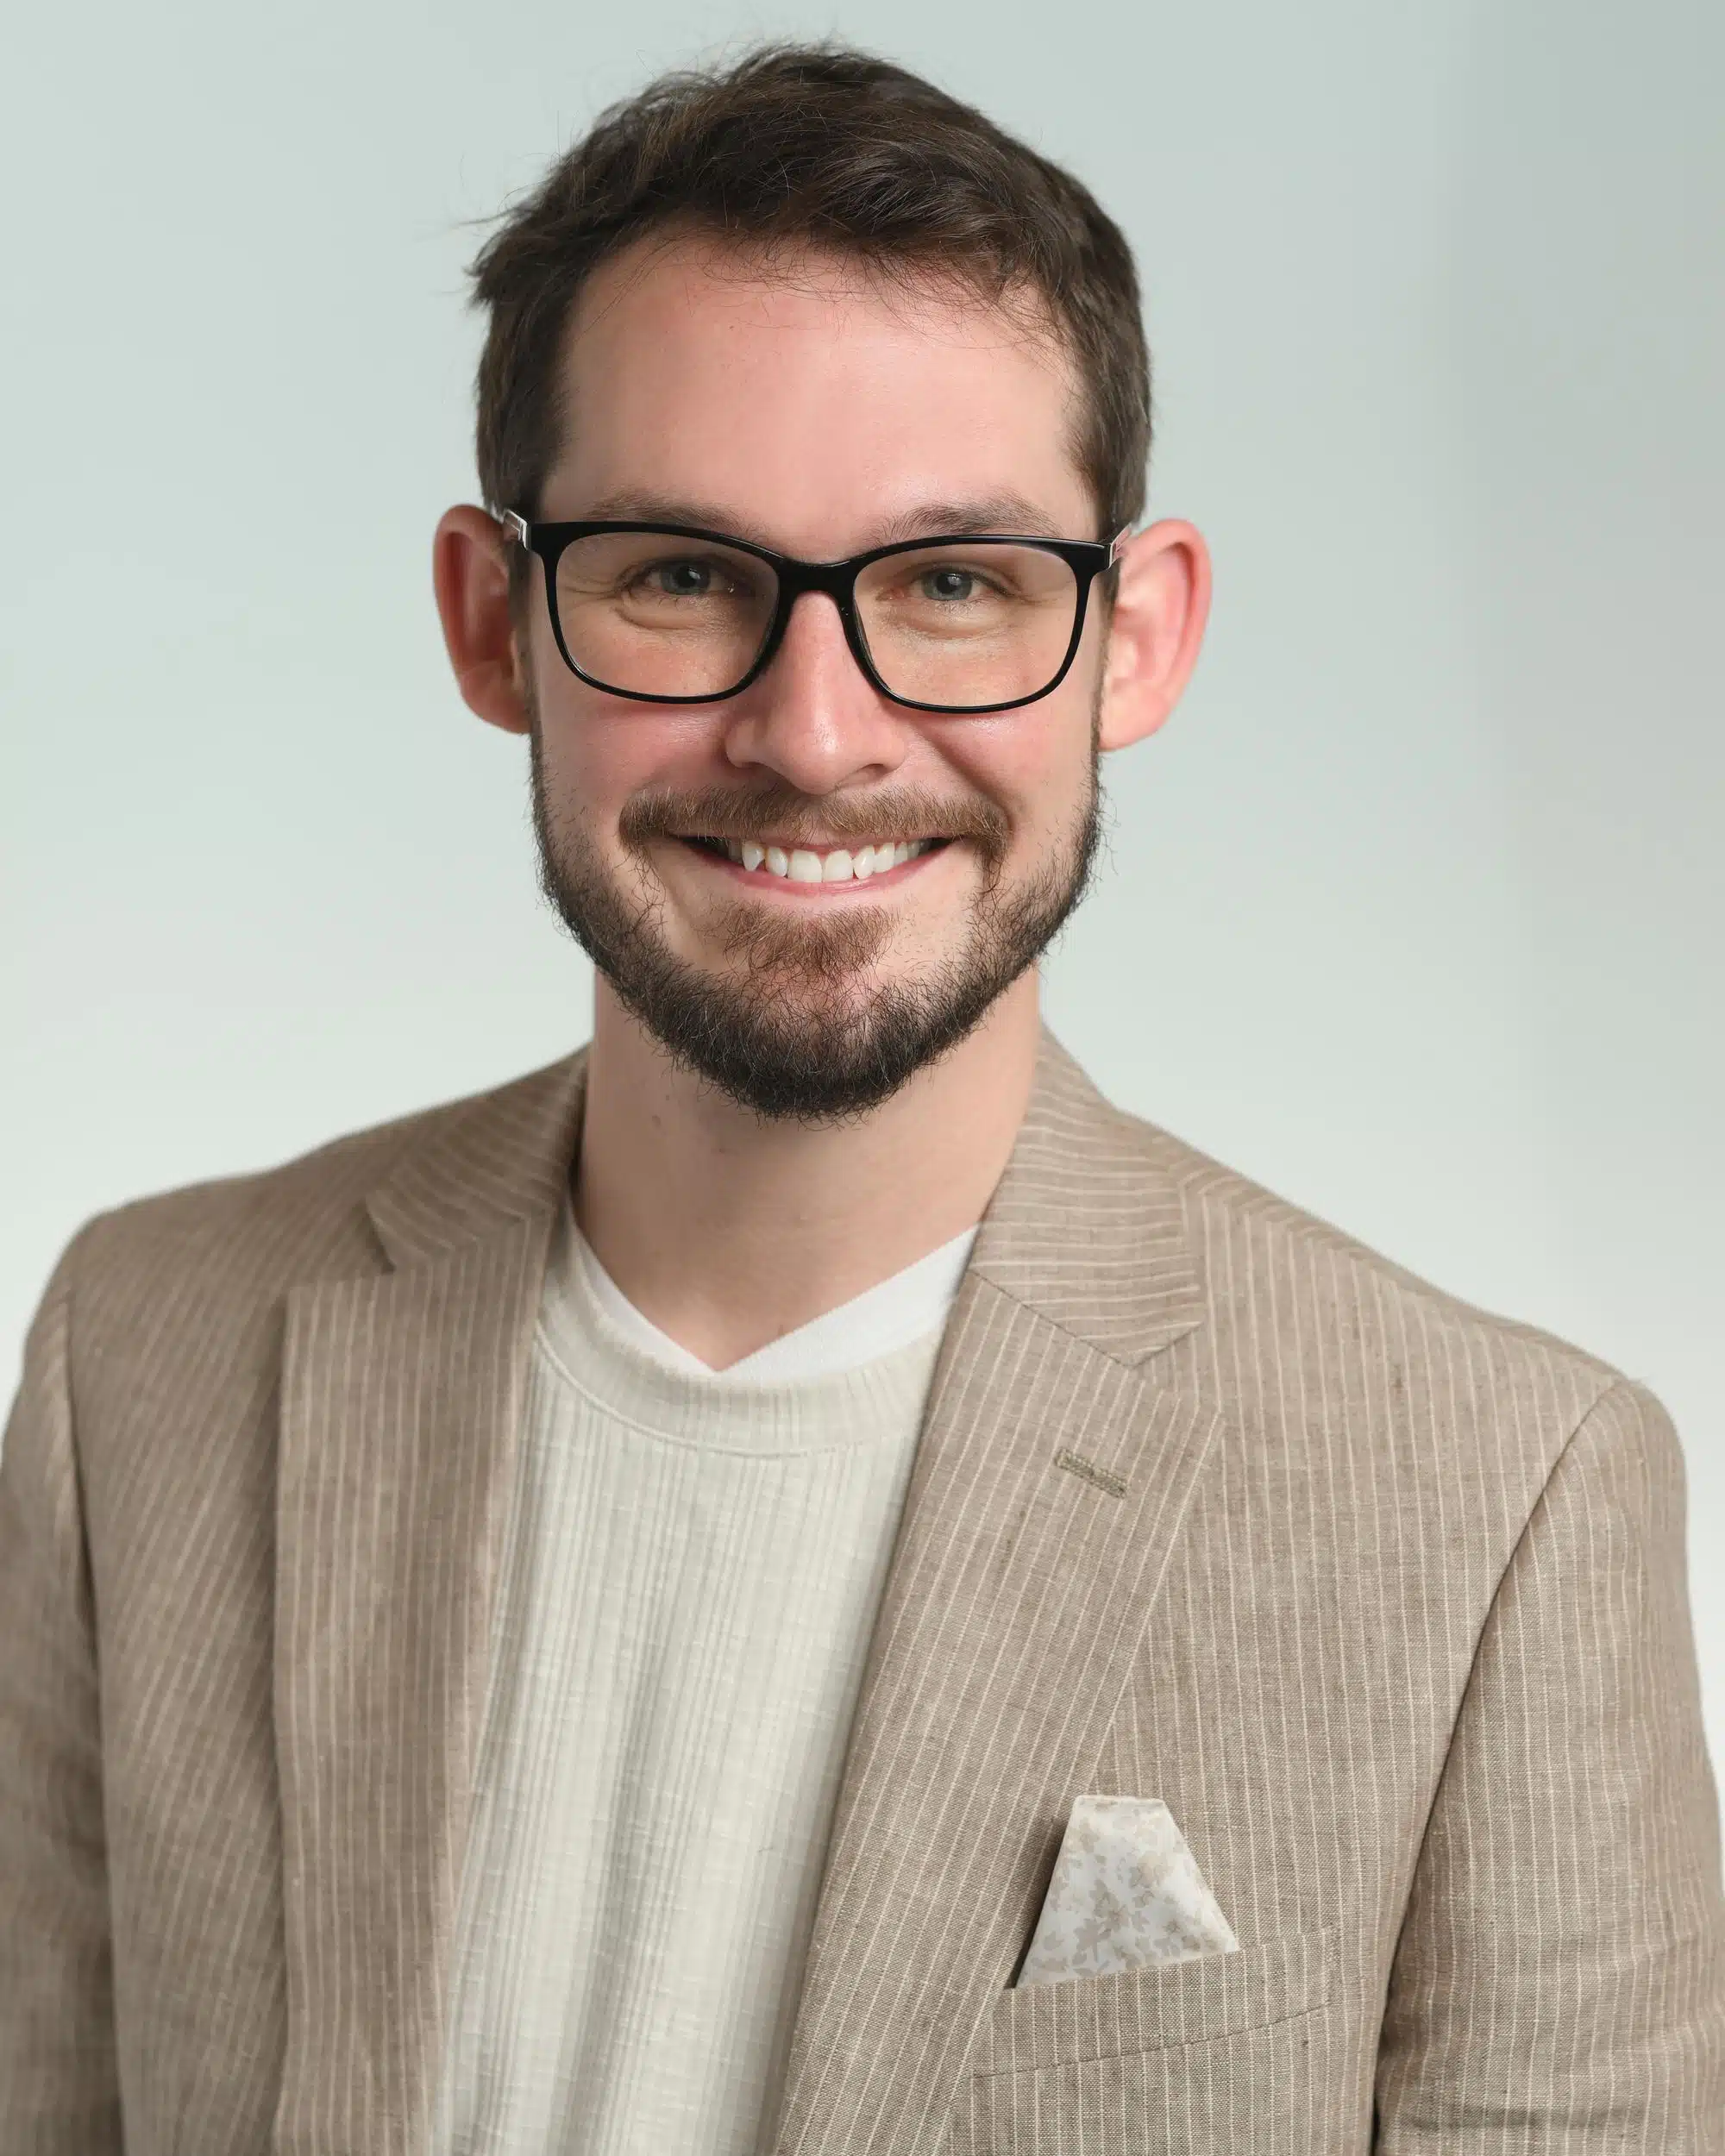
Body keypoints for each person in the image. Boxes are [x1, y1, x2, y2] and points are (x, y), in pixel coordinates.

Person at [2, 40, 1720, 2156]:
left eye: (955, 583)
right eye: (679, 573)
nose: (814, 735)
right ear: (493, 623)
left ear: (1134, 639)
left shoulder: (1497, 1503)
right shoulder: (142, 1359)